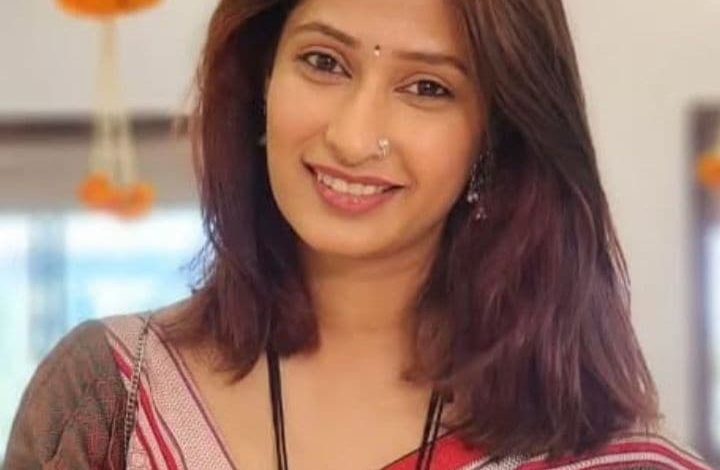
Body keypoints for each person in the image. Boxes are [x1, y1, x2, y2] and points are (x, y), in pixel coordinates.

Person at [3, 0, 713, 469]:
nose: (352, 136)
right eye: (324, 62)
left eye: (427, 87)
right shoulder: (112, 397)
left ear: (495, 138)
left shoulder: (605, 457)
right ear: (262, 82)